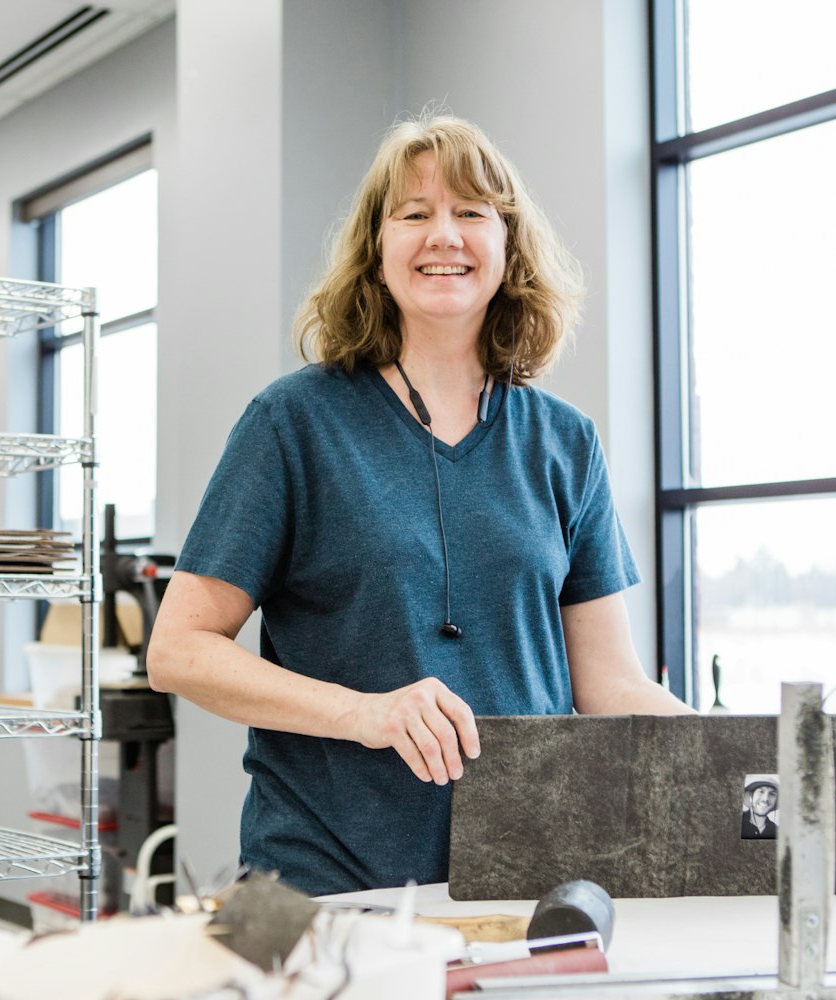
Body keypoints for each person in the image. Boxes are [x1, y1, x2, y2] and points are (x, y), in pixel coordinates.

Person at [146, 113, 691, 897]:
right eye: (414, 213)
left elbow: (609, 685)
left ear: (508, 247)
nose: (445, 235)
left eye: (471, 212)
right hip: (316, 879)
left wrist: (747, 754)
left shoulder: (567, 442)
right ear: (377, 248)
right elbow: (178, 651)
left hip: (521, 875)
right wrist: (366, 713)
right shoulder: (291, 423)